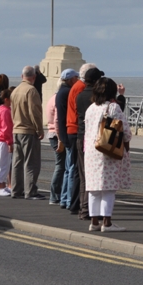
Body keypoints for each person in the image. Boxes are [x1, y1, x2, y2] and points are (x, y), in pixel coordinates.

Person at [83, 77, 131, 232]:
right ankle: (107, 223)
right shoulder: (113, 107)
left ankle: (94, 222)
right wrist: (126, 143)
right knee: (108, 188)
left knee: (94, 189)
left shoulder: (90, 108)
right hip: (107, 150)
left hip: (90, 150)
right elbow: (124, 130)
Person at [71, 66, 105, 218]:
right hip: (94, 137)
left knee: (84, 175)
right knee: (97, 177)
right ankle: (92, 211)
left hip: (80, 135)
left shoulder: (79, 95)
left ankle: (83, 209)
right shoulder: (96, 97)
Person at [66, 63, 98, 216]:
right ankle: (78, 205)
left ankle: (77, 204)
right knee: (81, 173)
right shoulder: (82, 90)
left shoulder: (78, 89)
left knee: (78, 171)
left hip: (76, 130)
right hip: (79, 131)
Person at [10, 65, 45, 200]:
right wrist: (39, 129)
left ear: (22, 76)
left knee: (17, 161)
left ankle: (16, 190)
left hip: (16, 129)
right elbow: (34, 112)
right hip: (28, 130)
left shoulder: (15, 91)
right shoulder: (31, 90)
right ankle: (30, 191)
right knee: (31, 162)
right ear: (34, 77)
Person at [47, 70, 76, 205]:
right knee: (63, 167)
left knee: (63, 167)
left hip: (54, 133)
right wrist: (60, 139)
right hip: (58, 134)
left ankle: (61, 196)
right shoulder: (64, 95)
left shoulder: (54, 96)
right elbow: (58, 120)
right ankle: (57, 196)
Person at [53, 69, 81, 209]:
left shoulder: (60, 92)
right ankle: (70, 199)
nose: (78, 79)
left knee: (67, 169)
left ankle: (64, 198)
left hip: (65, 134)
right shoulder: (68, 92)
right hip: (70, 134)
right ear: (71, 79)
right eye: (77, 77)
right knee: (71, 169)